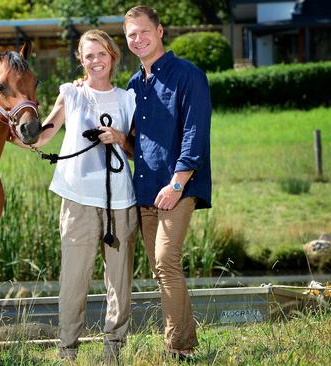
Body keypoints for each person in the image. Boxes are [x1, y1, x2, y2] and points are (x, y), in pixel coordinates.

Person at [30, 29, 138, 363]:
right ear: (80, 59)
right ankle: (68, 353)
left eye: (101, 54)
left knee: (119, 283)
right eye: (88, 55)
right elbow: (42, 136)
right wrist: (16, 125)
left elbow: (136, 151)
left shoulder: (128, 98)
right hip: (77, 200)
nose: (95, 61)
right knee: (73, 282)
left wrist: (119, 137)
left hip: (120, 200)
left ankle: (113, 354)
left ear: (113, 57)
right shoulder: (71, 94)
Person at [122, 5, 212, 359]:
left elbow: (195, 134)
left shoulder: (188, 75)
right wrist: (120, 138)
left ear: (160, 31)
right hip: (145, 190)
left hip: (178, 187)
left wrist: (177, 184)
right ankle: (187, 344)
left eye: (144, 31)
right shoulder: (133, 84)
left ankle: (177, 347)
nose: (138, 39)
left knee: (164, 260)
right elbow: (140, 146)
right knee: (163, 270)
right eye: (131, 35)